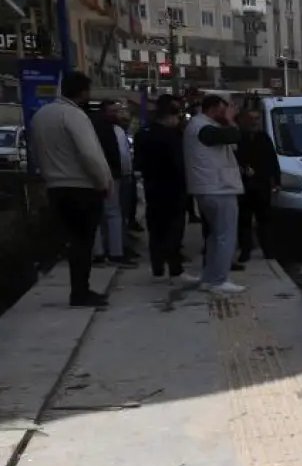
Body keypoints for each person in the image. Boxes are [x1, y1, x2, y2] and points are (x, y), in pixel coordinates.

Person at [29, 72, 115, 308]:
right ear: (82, 92)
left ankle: (74, 287)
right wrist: (103, 182)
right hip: (82, 188)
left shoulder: (40, 116)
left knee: (70, 240)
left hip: (55, 188)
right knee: (83, 243)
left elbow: (37, 151)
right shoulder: (74, 115)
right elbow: (89, 154)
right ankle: (80, 292)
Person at [184, 95, 245, 295]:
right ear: (213, 109)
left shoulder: (200, 126)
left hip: (209, 188)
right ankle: (219, 280)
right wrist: (230, 119)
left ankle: (209, 278)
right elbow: (235, 135)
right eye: (223, 109)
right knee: (225, 236)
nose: (226, 112)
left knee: (214, 236)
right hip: (218, 188)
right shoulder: (203, 127)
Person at [134, 97, 194, 282]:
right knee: (174, 230)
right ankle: (175, 267)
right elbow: (179, 163)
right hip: (173, 188)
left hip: (152, 186)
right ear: (170, 116)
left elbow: (139, 162)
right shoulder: (173, 136)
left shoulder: (143, 133)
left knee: (156, 229)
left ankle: (157, 267)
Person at [89, 100, 136, 268]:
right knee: (112, 213)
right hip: (109, 175)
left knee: (109, 214)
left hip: (113, 175)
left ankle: (103, 253)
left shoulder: (113, 129)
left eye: (117, 111)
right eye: (112, 111)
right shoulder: (105, 128)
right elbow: (112, 154)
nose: (116, 114)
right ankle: (113, 253)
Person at [235, 109, 280, 261]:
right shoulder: (237, 138)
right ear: (242, 120)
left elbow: (273, 161)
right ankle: (245, 251)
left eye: (256, 119)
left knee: (265, 220)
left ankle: (268, 251)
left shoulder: (263, 138)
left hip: (262, 185)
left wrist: (276, 182)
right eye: (251, 118)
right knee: (244, 220)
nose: (254, 122)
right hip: (243, 186)